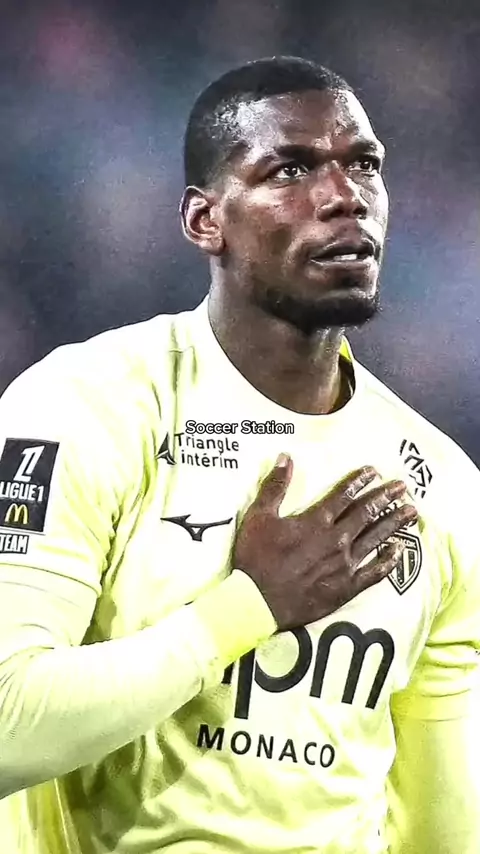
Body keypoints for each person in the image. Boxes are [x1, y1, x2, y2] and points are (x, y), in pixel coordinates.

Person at [0, 55, 478, 854]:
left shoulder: (445, 487)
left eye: (364, 165)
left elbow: (444, 831)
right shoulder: (86, 405)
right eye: (291, 169)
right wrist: (249, 608)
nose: (345, 195)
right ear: (205, 221)